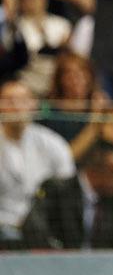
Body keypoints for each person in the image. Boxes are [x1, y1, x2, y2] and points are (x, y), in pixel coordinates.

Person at [21, 140, 113, 249]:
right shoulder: (57, 190)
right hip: (58, 264)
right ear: (98, 170)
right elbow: (33, 227)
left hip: (100, 267)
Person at [0, 80, 75, 248]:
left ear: (33, 104)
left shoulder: (53, 143)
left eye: (22, 100)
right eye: (9, 100)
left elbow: (68, 187)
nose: (16, 106)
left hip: (45, 229)